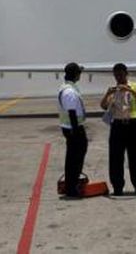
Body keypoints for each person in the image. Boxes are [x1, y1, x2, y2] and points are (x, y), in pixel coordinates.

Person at [101, 63, 136, 196]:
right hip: (117, 126)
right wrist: (108, 94)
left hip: (133, 125)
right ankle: (117, 186)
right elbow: (104, 106)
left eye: (120, 75)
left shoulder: (135, 87)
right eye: (116, 75)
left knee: (135, 156)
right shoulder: (113, 90)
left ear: (126, 74)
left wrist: (129, 90)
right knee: (115, 157)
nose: (118, 78)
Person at [58, 62, 88, 198]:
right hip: (73, 129)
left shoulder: (68, 88)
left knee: (73, 158)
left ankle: (72, 184)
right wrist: (77, 132)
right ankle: (72, 187)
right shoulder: (69, 91)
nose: (80, 75)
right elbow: (71, 113)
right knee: (75, 159)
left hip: (70, 128)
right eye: (79, 73)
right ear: (76, 74)